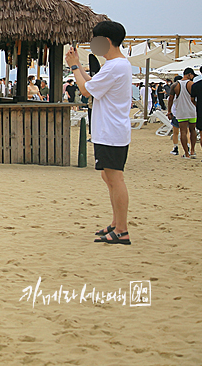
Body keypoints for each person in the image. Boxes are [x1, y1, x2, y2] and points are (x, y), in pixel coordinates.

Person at [66, 20, 132, 245]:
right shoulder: (116, 65)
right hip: (110, 130)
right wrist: (79, 67)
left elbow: (85, 91)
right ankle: (116, 223)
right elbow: (93, 84)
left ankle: (122, 229)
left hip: (111, 131)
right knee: (108, 176)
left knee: (115, 178)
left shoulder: (115, 67)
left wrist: (74, 67)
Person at [168, 68, 197, 159]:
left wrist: (169, 111)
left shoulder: (175, 85)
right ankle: (192, 150)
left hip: (181, 111)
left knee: (183, 131)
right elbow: (196, 98)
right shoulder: (192, 84)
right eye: (192, 75)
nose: (192, 77)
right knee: (193, 131)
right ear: (189, 74)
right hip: (192, 110)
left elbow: (171, 99)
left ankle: (186, 153)